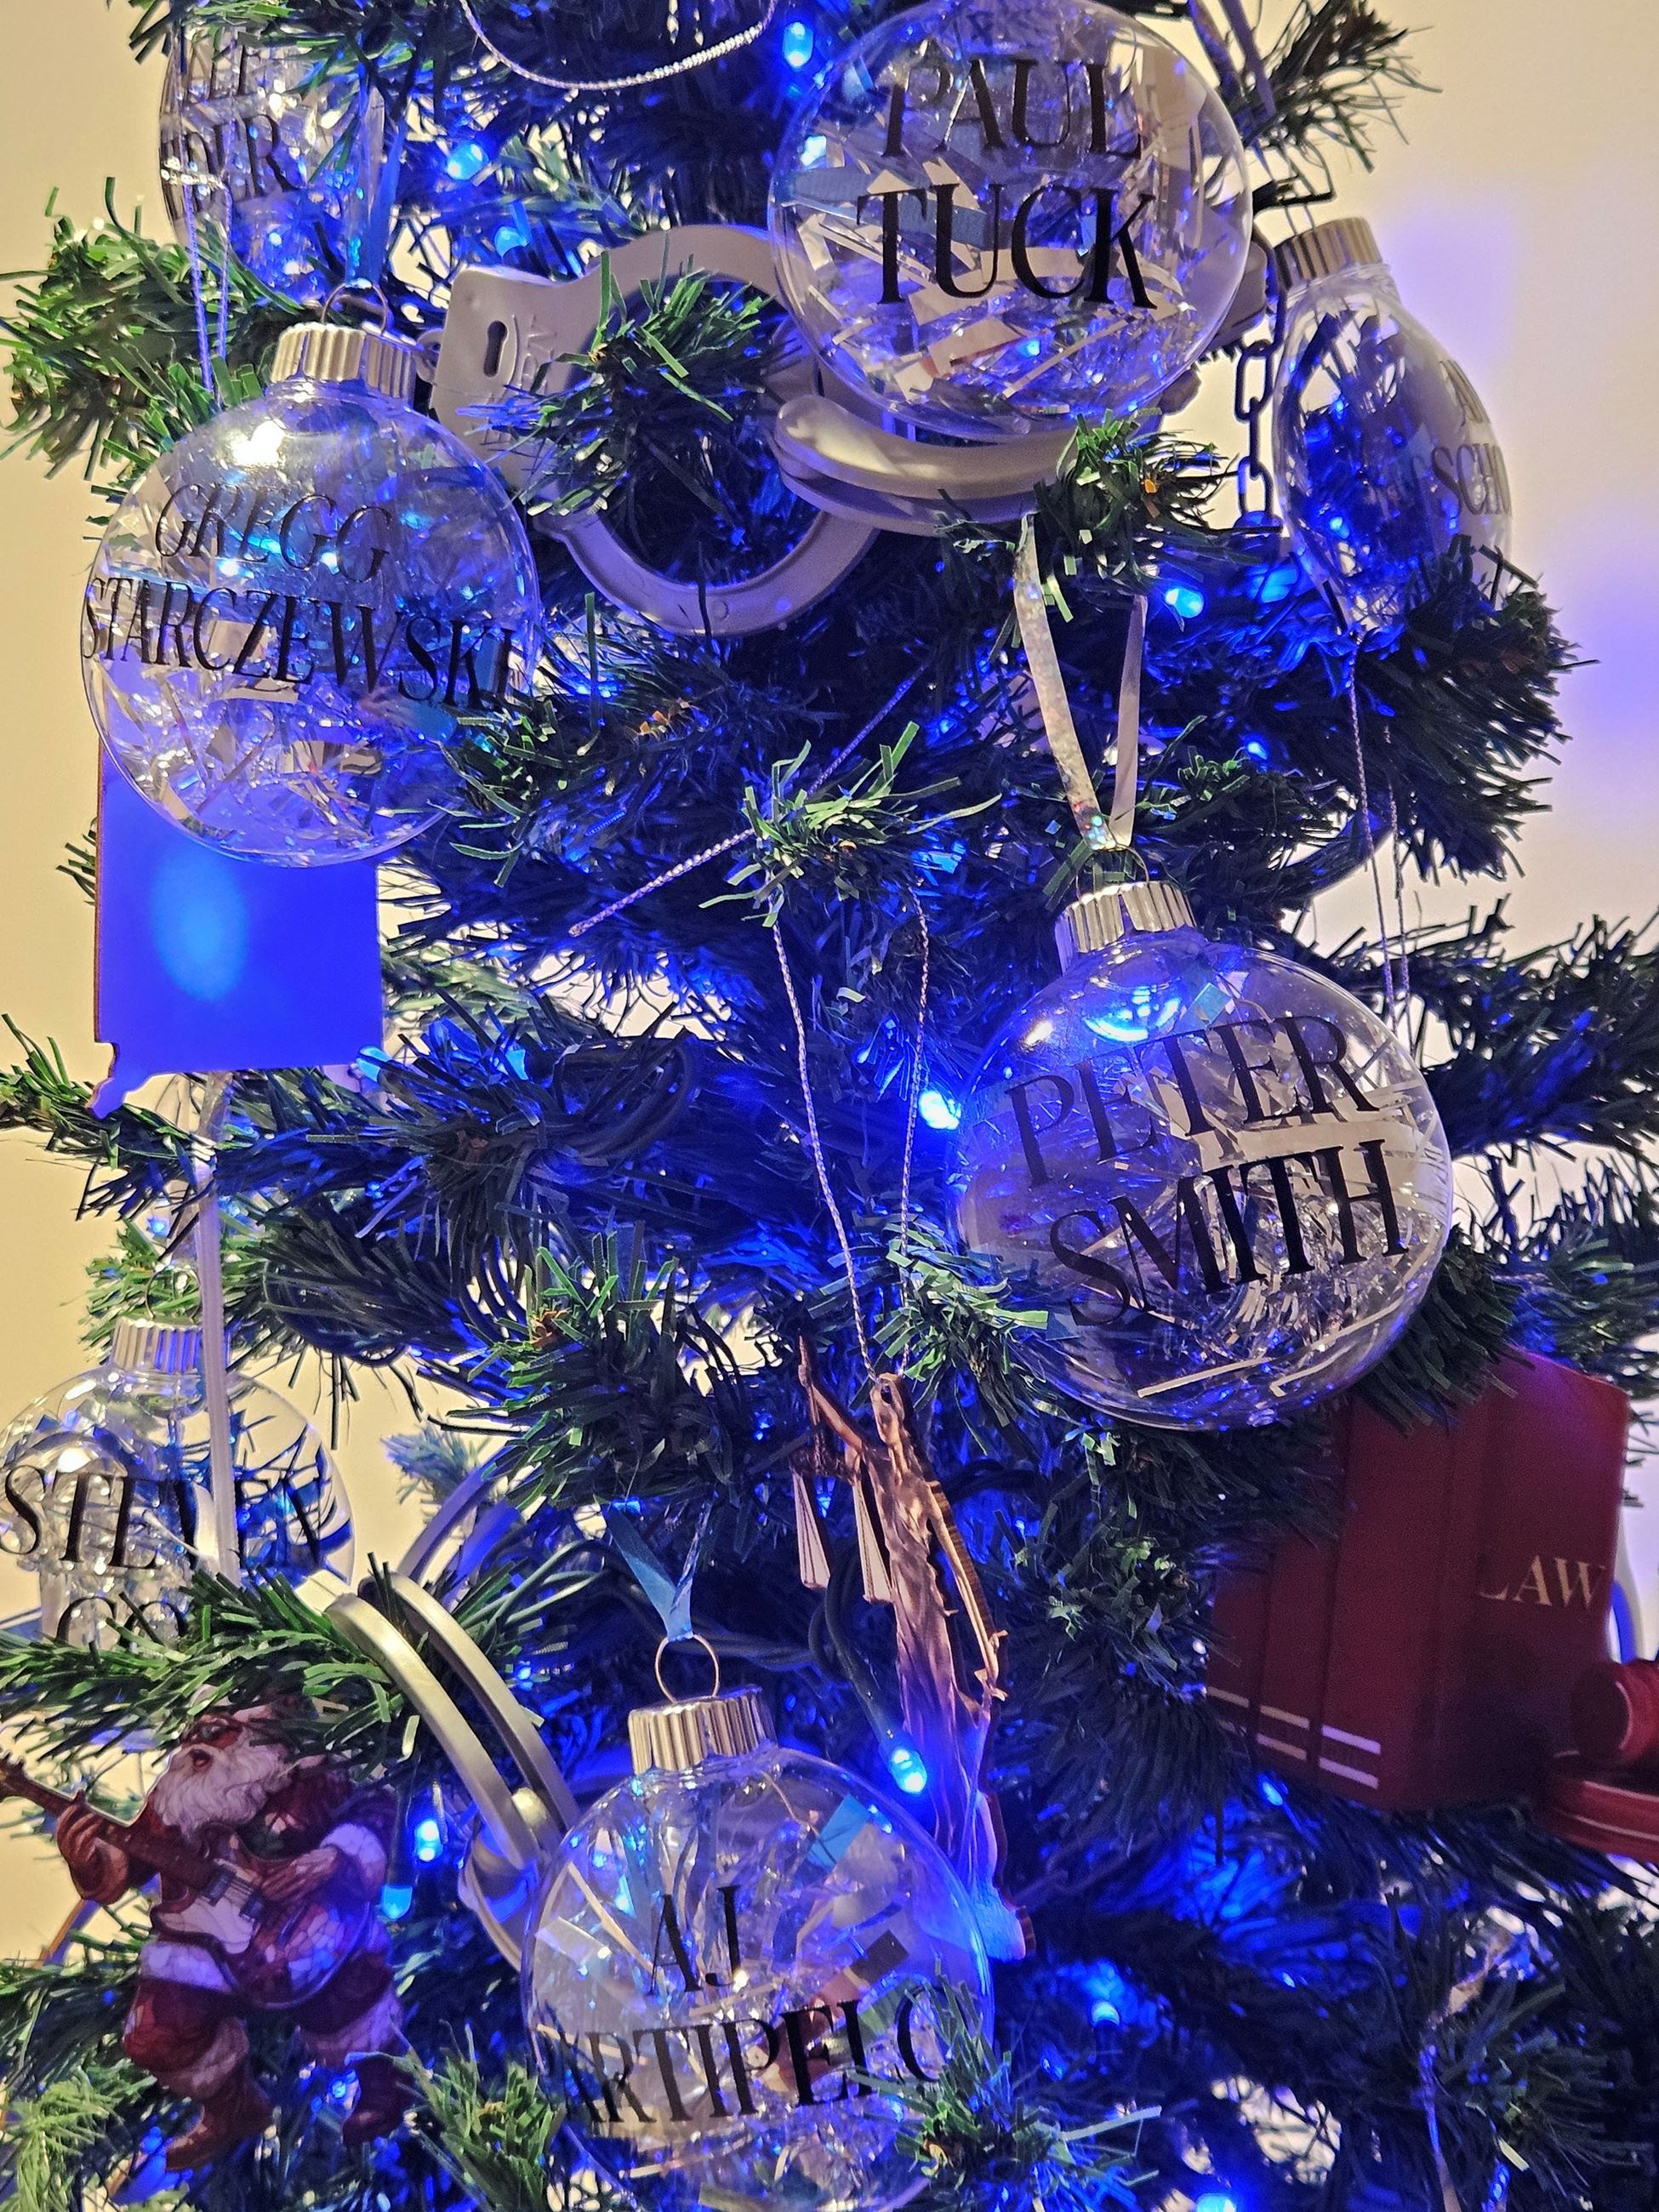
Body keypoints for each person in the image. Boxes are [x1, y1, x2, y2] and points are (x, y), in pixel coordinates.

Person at [56, 1704, 406, 2169]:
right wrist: (87, 1860)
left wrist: (334, 1857)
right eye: (193, 1732)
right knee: (154, 2031)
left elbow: (378, 1804)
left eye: (216, 1731)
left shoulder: (307, 1771)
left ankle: (385, 2083)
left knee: (344, 1995)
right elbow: (126, 1861)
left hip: (315, 1925)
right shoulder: (176, 1800)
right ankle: (233, 2108)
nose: (196, 1744)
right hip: (205, 1947)